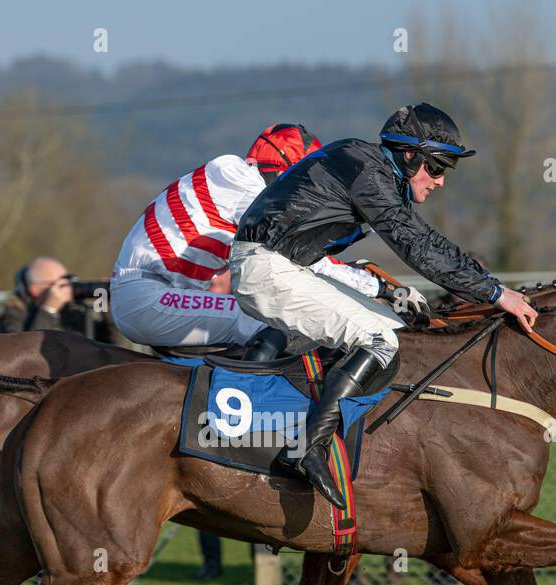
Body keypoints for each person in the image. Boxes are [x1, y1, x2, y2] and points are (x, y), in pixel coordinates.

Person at [230, 103, 539, 508]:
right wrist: (497, 294)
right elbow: (421, 248)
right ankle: (307, 447)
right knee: (380, 339)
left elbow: (419, 241)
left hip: (283, 264)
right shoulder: (369, 172)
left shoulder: (372, 169)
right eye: (439, 167)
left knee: (391, 330)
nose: (442, 182)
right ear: (410, 155)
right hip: (267, 267)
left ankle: (311, 418)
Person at [109, 123, 382, 361]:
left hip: (151, 293)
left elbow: (302, 252)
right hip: (148, 296)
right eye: (304, 182)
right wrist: (373, 286)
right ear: (285, 171)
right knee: (268, 320)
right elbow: (297, 255)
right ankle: (256, 409)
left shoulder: (235, 176)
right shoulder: (245, 187)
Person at [0, 257, 90, 335]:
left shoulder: (70, 310)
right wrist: (49, 310)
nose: (68, 288)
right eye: (60, 285)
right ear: (35, 289)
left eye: (69, 281)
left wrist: (103, 307)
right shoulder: (13, 315)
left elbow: (98, 337)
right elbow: (28, 350)